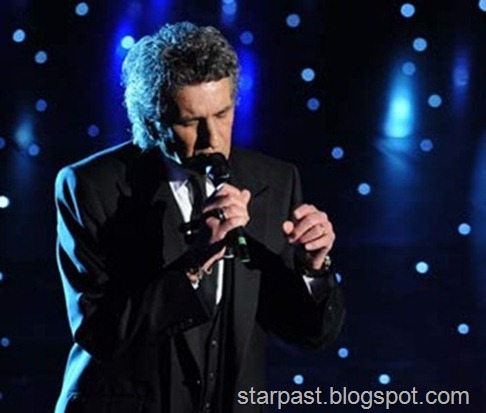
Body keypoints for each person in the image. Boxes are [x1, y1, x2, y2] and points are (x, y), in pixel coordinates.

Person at [53, 21, 345, 413]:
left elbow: (311, 334)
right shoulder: (90, 185)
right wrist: (195, 262)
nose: (213, 138)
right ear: (151, 121)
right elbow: (100, 334)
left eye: (223, 114)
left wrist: (314, 268)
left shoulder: (275, 180)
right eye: (189, 122)